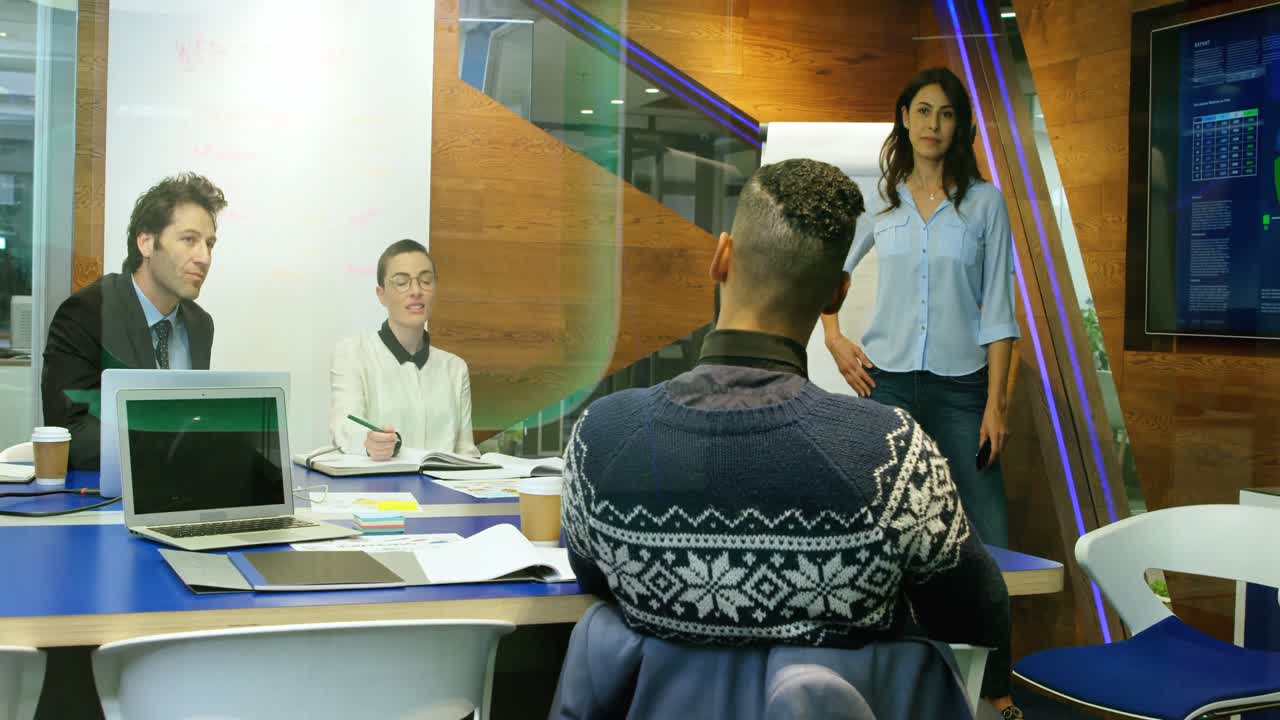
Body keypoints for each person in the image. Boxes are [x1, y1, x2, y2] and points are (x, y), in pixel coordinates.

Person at [562, 159, 1016, 715]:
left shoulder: (600, 441)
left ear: (721, 257)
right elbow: (977, 611)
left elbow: (593, 578)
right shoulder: (891, 453)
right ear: (838, 295)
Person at [822, 67, 1020, 553]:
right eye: (925, 111)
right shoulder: (882, 201)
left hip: (962, 392)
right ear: (906, 118)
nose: (934, 124)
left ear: (958, 127)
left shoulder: (985, 204)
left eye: (946, 114)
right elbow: (828, 275)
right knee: (874, 528)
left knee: (989, 529)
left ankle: (987, 631)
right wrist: (834, 339)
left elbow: (998, 310)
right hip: (886, 384)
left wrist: (996, 406)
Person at [42, 172, 226, 470]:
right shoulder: (87, 313)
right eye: (189, 240)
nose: (203, 257)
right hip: (107, 500)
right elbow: (70, 435)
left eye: (210, 244)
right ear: (146, 242)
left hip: (181, 493)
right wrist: (175, 443)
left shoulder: (200, 324)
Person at [329, 239, 478, 459]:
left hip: (443, 491)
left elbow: (466, 453)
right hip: (379, 489)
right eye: (402, 282)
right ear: (381, 294)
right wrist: (368, 441)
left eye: (426, 280)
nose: (416, 291)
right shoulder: (352, 353)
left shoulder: (454, 368)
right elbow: (344, 425)